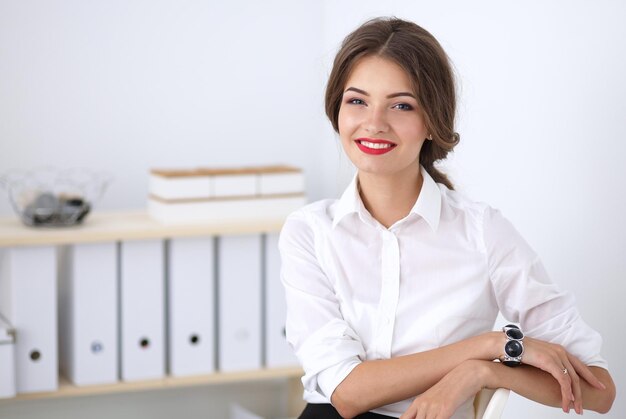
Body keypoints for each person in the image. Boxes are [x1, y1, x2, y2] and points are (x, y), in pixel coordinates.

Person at [279, 17, 615, 419]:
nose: (374, 122)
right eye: (357, 100)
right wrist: (486, 348)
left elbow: (600, 391)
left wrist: (482, 374)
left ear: (432, 121)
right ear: (336, 111)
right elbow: (347, 393)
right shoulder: (309, 232)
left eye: (401, 105)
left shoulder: (482, 232)